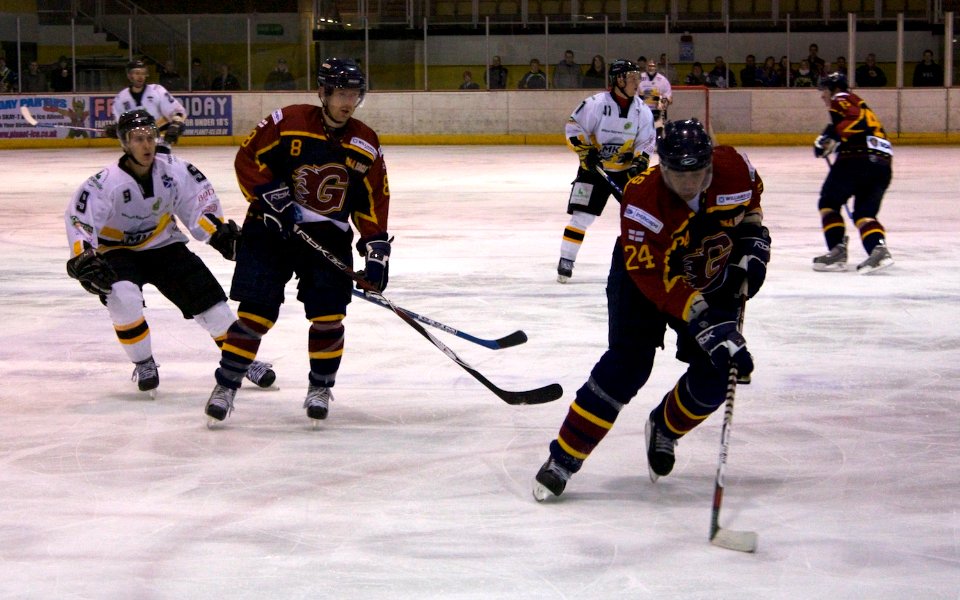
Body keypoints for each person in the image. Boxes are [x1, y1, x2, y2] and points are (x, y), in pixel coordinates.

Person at [534, 118, 768, 501]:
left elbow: (752, 207)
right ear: (663, 167)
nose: (689, 183)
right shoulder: (642, 198)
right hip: (640, 281)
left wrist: (754, 243)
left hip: (707, 273)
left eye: (697, 172)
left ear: (710, 162)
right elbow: (650, 276)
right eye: (678, 173)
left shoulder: (737, 168)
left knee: (719, 370)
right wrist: (704, 318)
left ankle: (665, 428)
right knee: (627, 365)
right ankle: (562, 459)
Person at [204, 58, 392, 427]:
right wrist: (269, 196)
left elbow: (373, 199)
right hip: (271, 229)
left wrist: (376, 248)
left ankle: (320, 387)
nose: (347, 101)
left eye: (354, 94)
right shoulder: (288, 121)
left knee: (328, 316)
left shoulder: (365, 142)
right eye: (340, 93)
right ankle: (225, 385)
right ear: (323, 92)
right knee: (256, 314)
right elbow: (248, 158)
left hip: (328, 235)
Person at [63, 109, 276, 397]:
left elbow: (197, 205)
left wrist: (217, 233)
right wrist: (83, 254)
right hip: (116, 250)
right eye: (138, 139)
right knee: (123, 297)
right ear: (125, 144)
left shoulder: (175, 170)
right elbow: (81, 219)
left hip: (163, 244)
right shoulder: (105, 183)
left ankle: (242, 359)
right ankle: (143, 361)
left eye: (150, 137)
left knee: (209, 299)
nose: (147, 145)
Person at [555, 59, 656, 283]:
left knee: (641, 218)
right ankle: (566, 259)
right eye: (631, 78)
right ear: (618, 79)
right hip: (594, 171)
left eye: (637, 78)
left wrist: (641, 161)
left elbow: (647, 140)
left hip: (626, 173)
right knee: (582, 217)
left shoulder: (642, 110)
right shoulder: (595, 104)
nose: (636, 83)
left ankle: (647, 261)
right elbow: (574, 127)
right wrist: (585, 151)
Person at [812, 73, 894, 274]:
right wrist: (829, 138)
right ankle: (878, 250)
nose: (822, 96)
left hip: (857, 159)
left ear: (833, 88)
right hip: (882, 163)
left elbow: (854, 120)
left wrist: (832, 136)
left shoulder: (841, 98)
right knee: (865, 214)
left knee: (828, 203)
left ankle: (837, 251)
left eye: (824, 90)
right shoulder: (862, 105)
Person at [110, 59, 187, 148]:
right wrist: (115, 130)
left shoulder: (158, 91)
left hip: (159, 142)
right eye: (137, 73)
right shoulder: (120, 98)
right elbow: (120, 124)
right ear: (129, 75)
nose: (141, 76)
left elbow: (178, 112)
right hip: (135, 146)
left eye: (143, 73)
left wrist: (176, 124)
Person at [638, 58, 672, 138]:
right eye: (649, 66)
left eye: (653, 66)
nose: (651, 68)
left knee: (657, 135)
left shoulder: (663, 80)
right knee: (643, 135)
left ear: (656, 67)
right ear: (646, 66)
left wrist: (663, 102)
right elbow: (634, 94)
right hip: (642, 111)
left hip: (658, 112)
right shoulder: (639, 78)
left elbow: (669, 97)